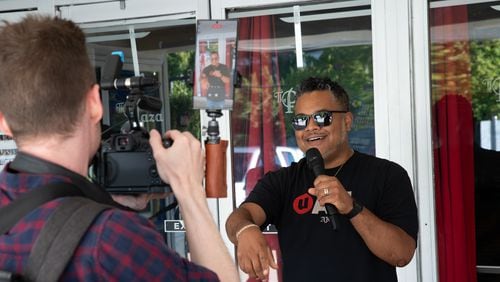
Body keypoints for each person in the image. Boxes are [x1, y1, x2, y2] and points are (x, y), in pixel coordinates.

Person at [0, 15, 239, 282]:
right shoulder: (111, 239)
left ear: (4, 122)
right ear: (94, 103)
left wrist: (106, 205)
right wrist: (189, 190)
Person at [225, 77, 418, 281]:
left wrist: (351, 207)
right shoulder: (283, 181)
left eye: (321, 117)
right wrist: (245, 230)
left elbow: (402, 254)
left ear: (347, 121)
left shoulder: (387, 175)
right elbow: (238, 218)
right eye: (301, 120)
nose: (310, 127)